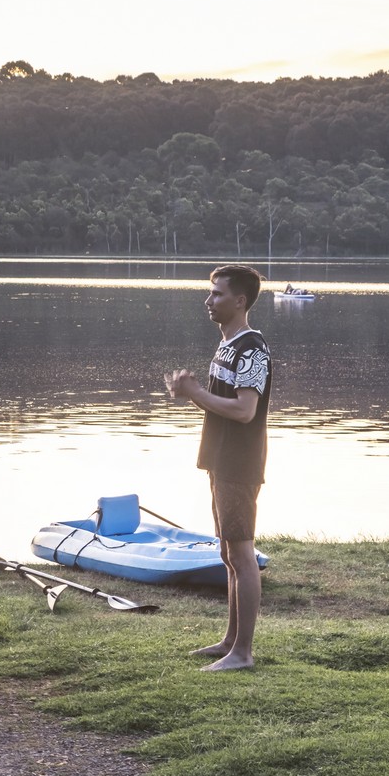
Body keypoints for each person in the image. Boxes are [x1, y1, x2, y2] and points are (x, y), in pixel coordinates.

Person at [164, 264, 271, 672]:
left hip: (239, 463)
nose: (209, 301)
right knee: (228, 552)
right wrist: (190, 393)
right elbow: (219, 403)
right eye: (210, 294)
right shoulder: (227, 345)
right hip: (220, 459)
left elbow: (244, 412)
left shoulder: (251, 349)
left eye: (217, 294)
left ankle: (243, 653)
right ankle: (230, 640)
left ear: (240, 301)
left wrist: (194, 391)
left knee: (242, 555)